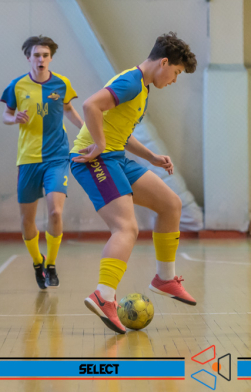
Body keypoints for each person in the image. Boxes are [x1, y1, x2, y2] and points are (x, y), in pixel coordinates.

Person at [70, 32, 197, 334]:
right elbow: (90, 106)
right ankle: (103, 296)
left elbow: (121, 131)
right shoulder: (130, 82)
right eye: (177, 73)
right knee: (126, 228)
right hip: (95, 159)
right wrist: (100, 144)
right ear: (164, 63)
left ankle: (165, 279)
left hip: (115, 158)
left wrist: (151, 157)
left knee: (171, 205)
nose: (175, 80)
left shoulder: (142, 88)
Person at [1, 35, 83, 290]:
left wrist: (87, 130)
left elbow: (68, 109)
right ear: (29, 58)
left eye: (45, 55)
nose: (41, 59)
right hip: (28, 159)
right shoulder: (17, 85)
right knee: (27, 220)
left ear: (50, 58)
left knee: (56, 212)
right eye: (36, 55)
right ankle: (38, 262)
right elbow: (6, 114)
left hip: (57, 156)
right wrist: (14, 119)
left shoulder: (61, 83)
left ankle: (52, 264)